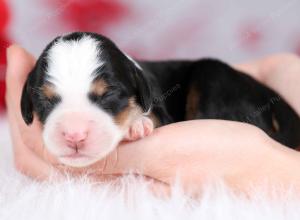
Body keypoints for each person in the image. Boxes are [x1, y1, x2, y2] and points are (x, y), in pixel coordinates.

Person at [5, 44, 300, 197]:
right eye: (49, 101)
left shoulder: (141, 85)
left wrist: (267, 165)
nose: (74, 132)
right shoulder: (126, 78)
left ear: (137, 90)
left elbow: (155, 112)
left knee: (213, 76)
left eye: (104, 97)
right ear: (28, 104)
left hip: (230, 90)